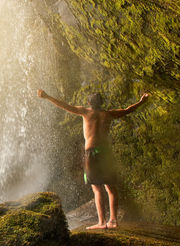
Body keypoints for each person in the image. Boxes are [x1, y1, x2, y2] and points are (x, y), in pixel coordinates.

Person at [37, 89, 149, 229]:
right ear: (102, 103)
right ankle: (113, 221)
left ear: (89, 103)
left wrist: (47, 96)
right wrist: (141, 101)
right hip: (105, 152)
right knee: (111, 188)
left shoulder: (85, 112)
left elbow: (65, 106)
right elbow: (127, 110)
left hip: (91, 153)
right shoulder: (108, 114)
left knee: (97, 188)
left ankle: (102, 222)